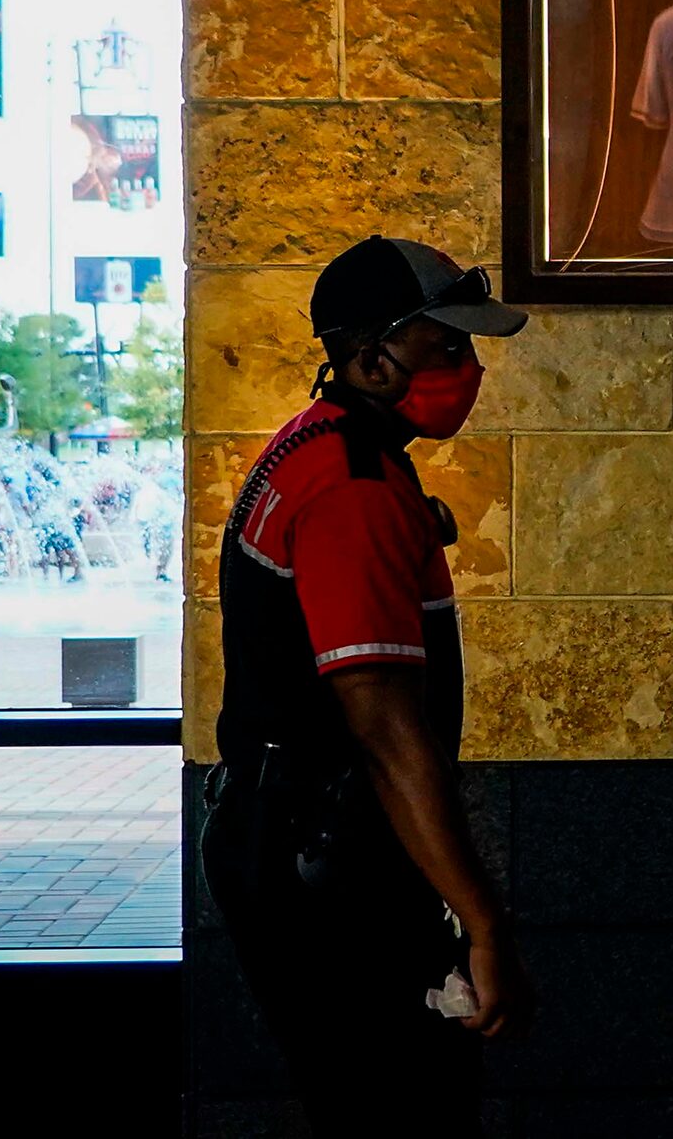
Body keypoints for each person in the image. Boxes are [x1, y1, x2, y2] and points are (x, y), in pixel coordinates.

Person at [203, 236, 536, 1133]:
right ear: (372, 358)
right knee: (401, 1116)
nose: (467, 372)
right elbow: (386, 730)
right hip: (330, 860)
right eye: (447, 350)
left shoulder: (317, 447)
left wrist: (416, 523)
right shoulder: (356, 487)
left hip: (282, 830)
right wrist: (485, 925)